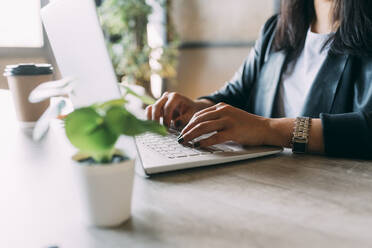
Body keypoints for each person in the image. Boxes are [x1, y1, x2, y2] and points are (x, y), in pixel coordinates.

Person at [146, 0, 372, 158]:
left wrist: (269, 129)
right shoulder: (275, 29)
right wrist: (198, 108)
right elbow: (237, 94)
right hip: (266, 182)